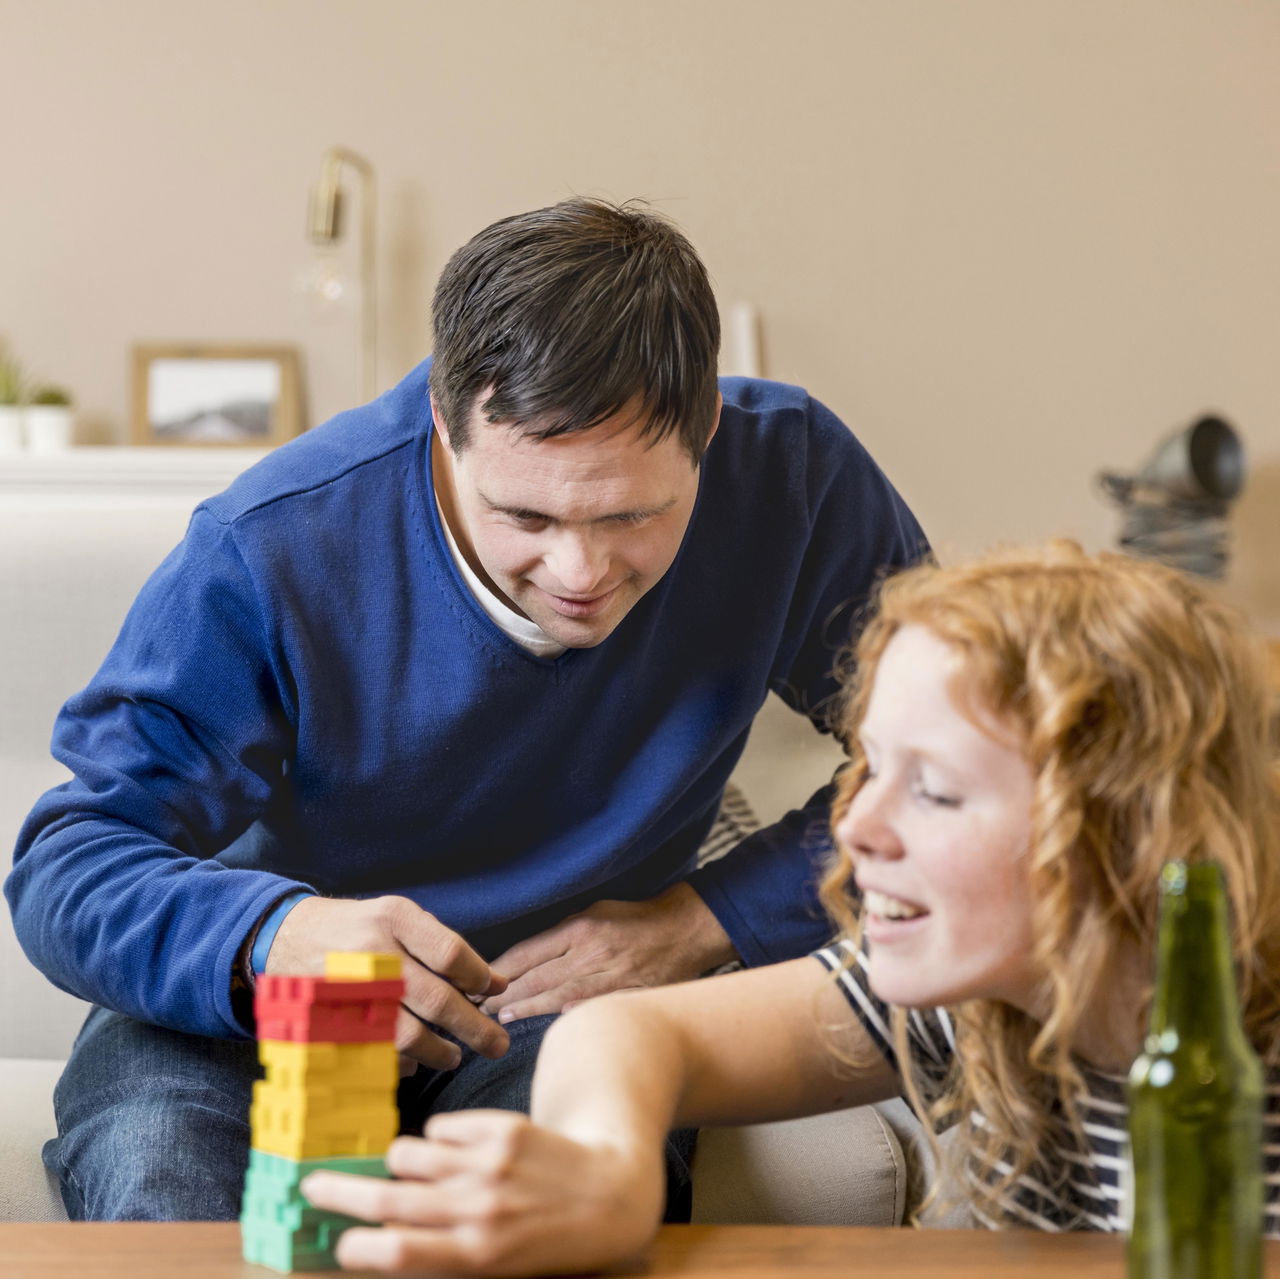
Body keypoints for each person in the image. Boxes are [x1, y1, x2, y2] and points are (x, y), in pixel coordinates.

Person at [4, 196, 926, 1221]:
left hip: (553, 1010)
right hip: (251, 1000)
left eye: (632, 514)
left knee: (562, 1201)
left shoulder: (790, 479)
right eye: (523, 514)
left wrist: (708, 918)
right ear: (444, 426)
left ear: (704, 426)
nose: (578, 572)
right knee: (158, 1165)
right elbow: (70, 857)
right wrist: (276, 931)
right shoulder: (273, 543)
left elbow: (962, 771)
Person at [299, 541, 1280, 1275]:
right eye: (870, 769)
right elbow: (627, 1030)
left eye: (933, 790)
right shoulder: (971, 988)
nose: (856, 831)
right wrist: (607, 1166)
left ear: (1128, 824)